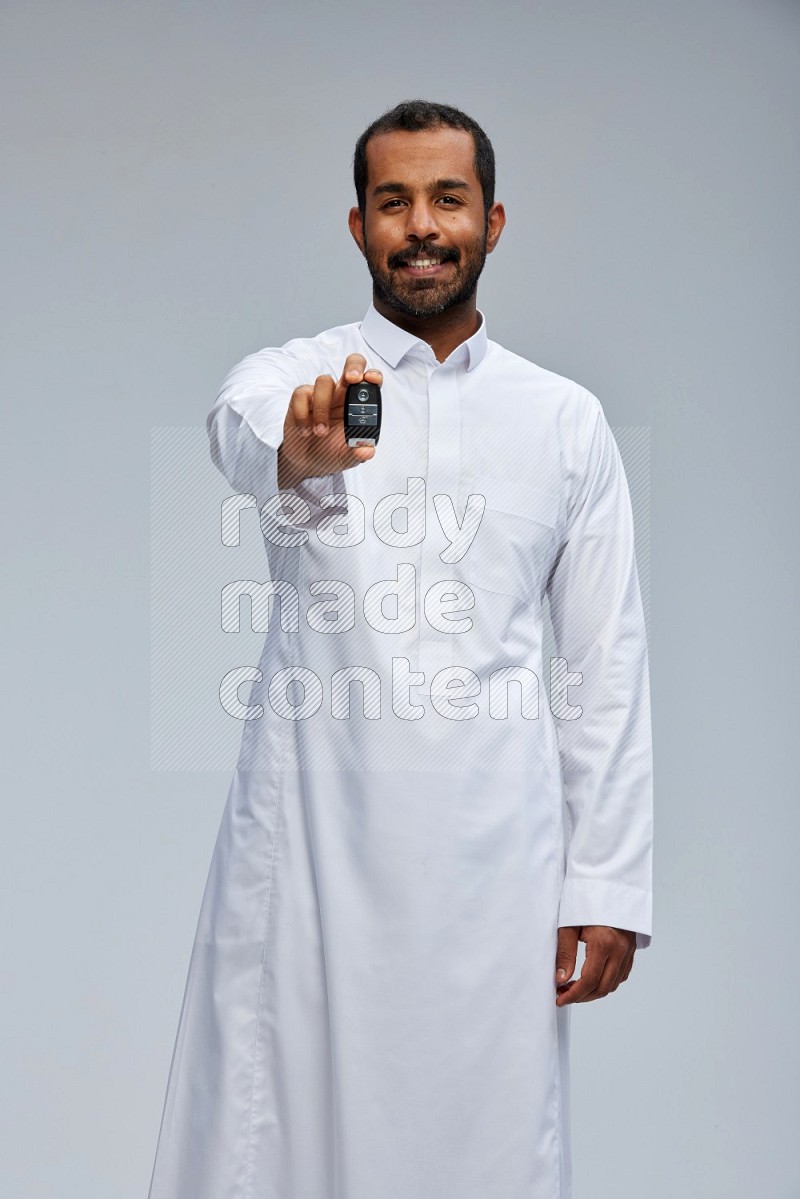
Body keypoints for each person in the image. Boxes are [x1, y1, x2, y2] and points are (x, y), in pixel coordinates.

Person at [148, 100, 653, 1199]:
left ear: (492, 220)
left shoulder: (563, 421)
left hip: (494, 868)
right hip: (311, 856)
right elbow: (238, 429)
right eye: (393, 202)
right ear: (357, 225)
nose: (420, 225)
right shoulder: (296, 373)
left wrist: (605, 878)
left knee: (485, 1148)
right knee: (277, 1142)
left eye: (445, 199)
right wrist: (300, 443)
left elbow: (601, 661)